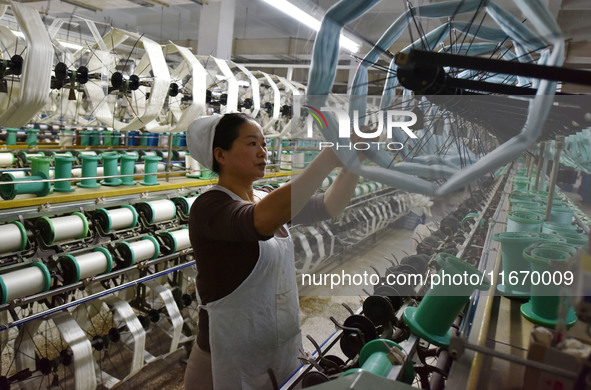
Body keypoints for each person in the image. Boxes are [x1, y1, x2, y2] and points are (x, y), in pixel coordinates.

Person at [184, 112, 360, 390]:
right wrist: (327, 159)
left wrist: (354, 163)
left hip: (282, 352)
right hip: (226, 363)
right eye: (252, 144)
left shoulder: (266, 196)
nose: (262, 152)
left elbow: (330, 205)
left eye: (264, 145)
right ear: (221, 154)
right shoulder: (210, 206)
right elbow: (258, 221)